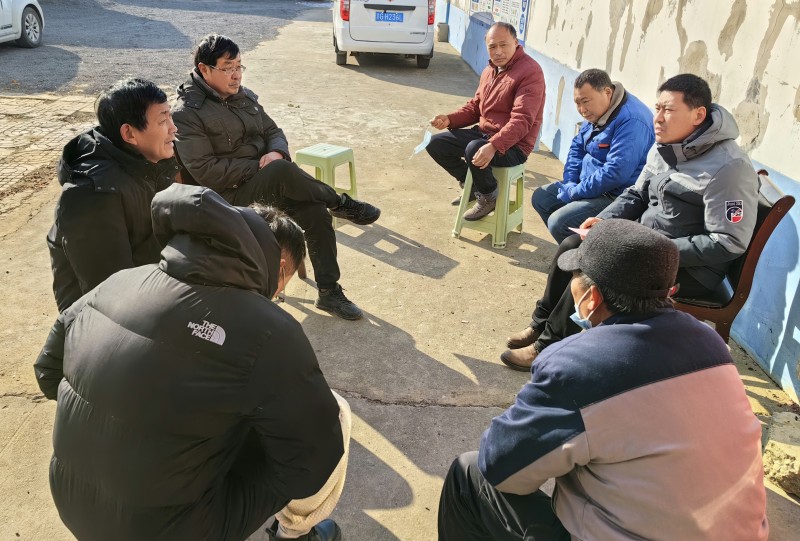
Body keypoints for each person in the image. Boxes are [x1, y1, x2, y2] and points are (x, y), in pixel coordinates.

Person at [34, 184, 349, 541]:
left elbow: (47, 372)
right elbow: (312, 460)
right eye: (284, 284)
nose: (277, 294)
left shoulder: (119, 281)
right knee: (336, 414)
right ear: (279, 266)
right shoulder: (269, 330)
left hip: (72, 501)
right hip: (171, 531)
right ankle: (294, 533)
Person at [438, 219, 769, 541]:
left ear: (591, 298)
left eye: (574, 277)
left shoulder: (577, 366)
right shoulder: (710, 343)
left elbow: (501, 468)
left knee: (469, 473)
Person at [502, 73, 759, 370]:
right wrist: (603, 219)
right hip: (648, 245)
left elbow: (727, 242)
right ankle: (541, 323)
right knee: (573, 243)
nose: (657, 119)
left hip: (690, 268)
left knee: (597, 267)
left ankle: (548, 348)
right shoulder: (667, 145)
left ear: (698, 115)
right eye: (657, 108)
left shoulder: (729, 168)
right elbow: (637, 193)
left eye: (668, 110)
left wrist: (654, 250)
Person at [172, 33, 380, 321]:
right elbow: (207, 171)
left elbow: (273, 131)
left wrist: (277, 152)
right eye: (228, 68)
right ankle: (340, 202)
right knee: (280, 171)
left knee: (315, 212)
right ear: (204, 69)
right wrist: (262, 167)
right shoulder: (186, 113)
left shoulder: (242, 96)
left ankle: (329, 291)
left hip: (265, 183)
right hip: (225, 197)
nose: (236, 75)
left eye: (239, 66)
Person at [46, 78, 180, 312]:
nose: (173, 128)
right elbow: (109, 293)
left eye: (170, 116)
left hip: (148, 285)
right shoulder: (93, 194)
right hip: (102, 317)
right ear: (129, 133)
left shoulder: (149, 161)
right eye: (162, 120)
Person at [427, 22, 545, 220]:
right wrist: (449, 119)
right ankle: (473, 186)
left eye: (503, 45)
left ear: (516, 43)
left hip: (514, 146)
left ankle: (489, 196)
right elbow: (476, 107)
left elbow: (522, 120)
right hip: (484, 134)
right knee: (436, 144)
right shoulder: (490, 70)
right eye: (492, 46)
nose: (498, 51)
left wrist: (494, 145)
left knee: (475, 148)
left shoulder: (530, 72)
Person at [531, 68, 654, 243]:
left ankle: (584, 255)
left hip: (615, 194)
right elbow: (577, 147)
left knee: (559, 222)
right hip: (588, 185)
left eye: (586, 102)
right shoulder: (598, 111)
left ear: (607, 92)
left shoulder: (632, 120)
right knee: (542, 198)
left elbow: (616, 172)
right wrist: (570, 182)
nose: (582, 109)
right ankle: (575, 248)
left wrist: (575, 192)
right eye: (577, 103)